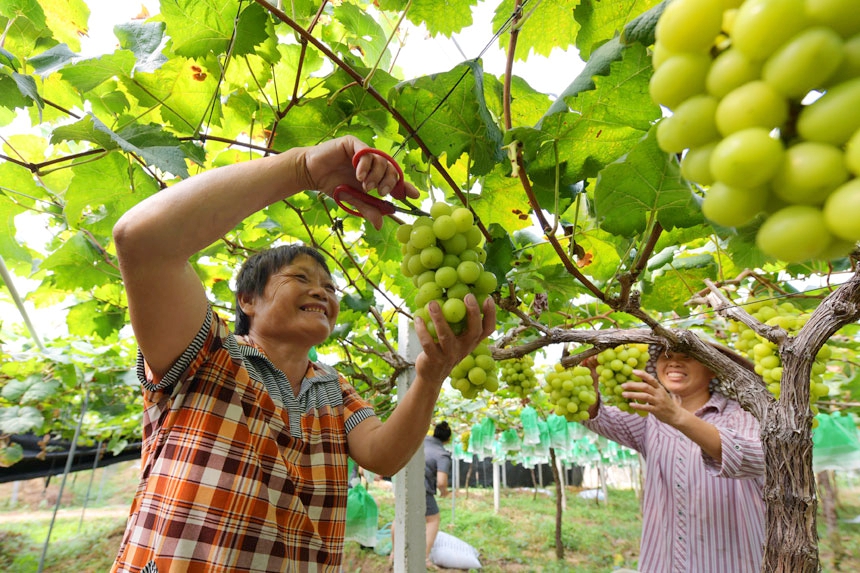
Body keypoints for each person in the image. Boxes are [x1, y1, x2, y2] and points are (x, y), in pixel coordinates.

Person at [109, 135, 496, 572]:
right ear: (247, 300)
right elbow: (140, 239)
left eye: (330, 287)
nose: (322, 291)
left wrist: (430, 375)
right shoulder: (206, 353)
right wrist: (302, 170)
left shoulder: (334, 389)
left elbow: (382, 455)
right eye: (301, 277)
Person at [581, 347, 765, 573]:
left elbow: (753, 457)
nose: (674, 363)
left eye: (687, 356)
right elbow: (597, 418)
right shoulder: (650, 418)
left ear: (713, 369)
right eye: (666, 356)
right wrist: (590, 381)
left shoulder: (742, 414)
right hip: (665, 562)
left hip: (731, 563)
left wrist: (677, 416)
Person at [424, 421, 453, 565]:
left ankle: (394, 554)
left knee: (401, 515)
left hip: (403, 484)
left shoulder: (421, 441)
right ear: (448, 439)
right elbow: (441, 482)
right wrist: (445, 493)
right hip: (423, 489)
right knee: (433, 519)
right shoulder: (442, 454)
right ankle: (424, 557)